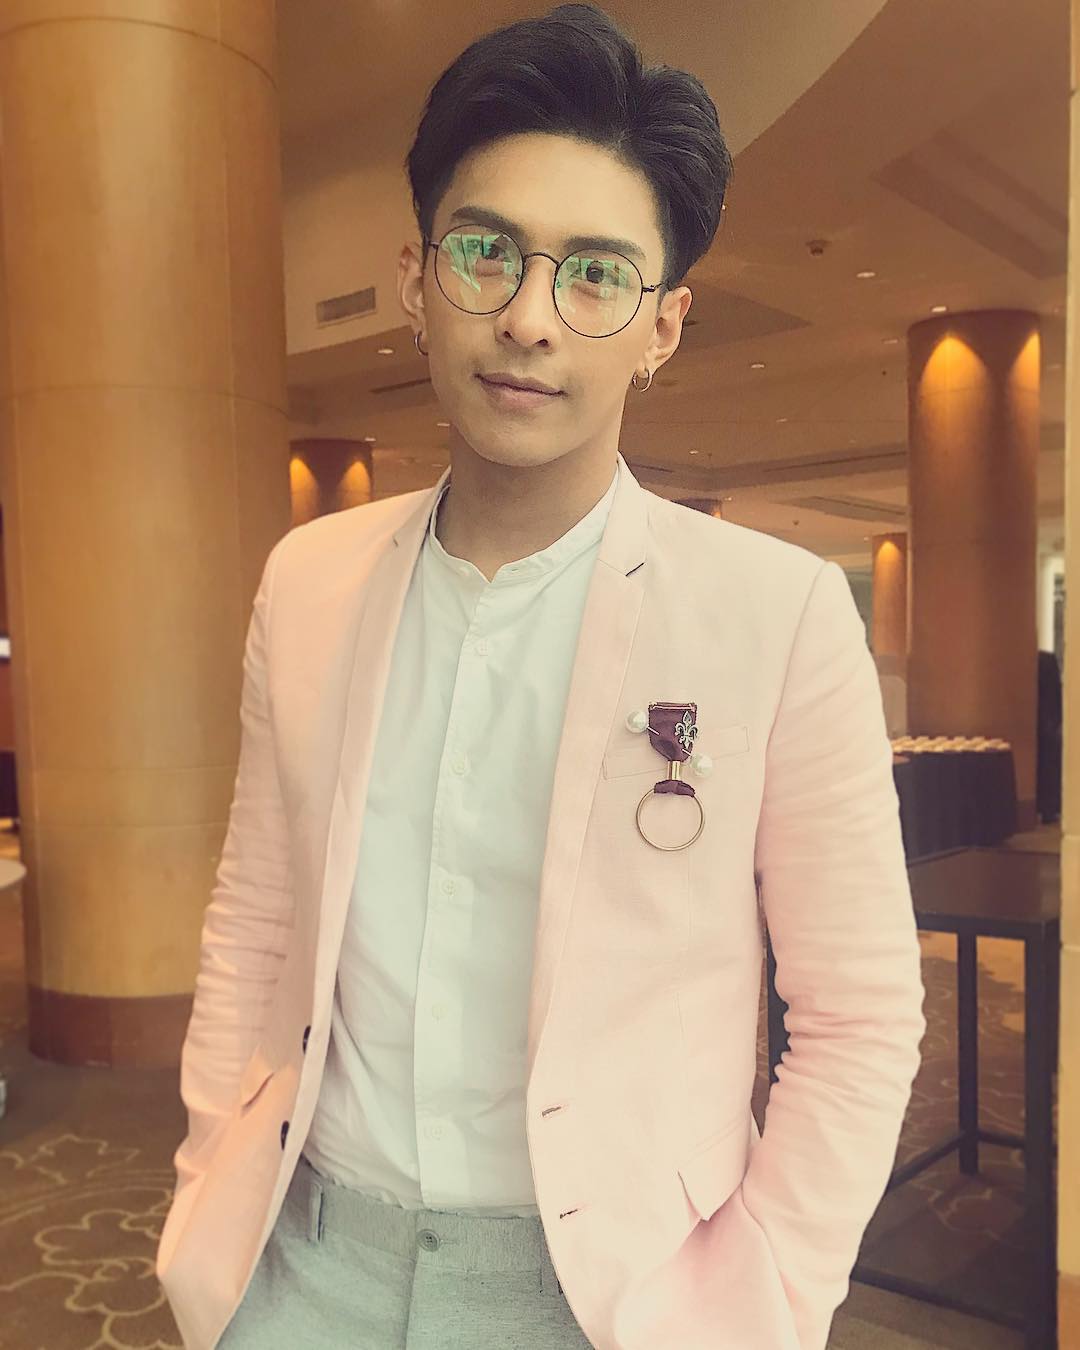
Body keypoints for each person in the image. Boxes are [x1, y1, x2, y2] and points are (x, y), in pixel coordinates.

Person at [155, 6, 927, 1348]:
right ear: (417, 278)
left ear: (663, 325)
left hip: (607, 1295)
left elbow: (859, 1014)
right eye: (486, 253)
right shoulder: (309, 580)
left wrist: (761, 1297)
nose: (528, 317)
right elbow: (257, 918)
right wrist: (202, 1171)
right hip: (304, 1259)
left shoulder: (774, 614)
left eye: (596, 275)